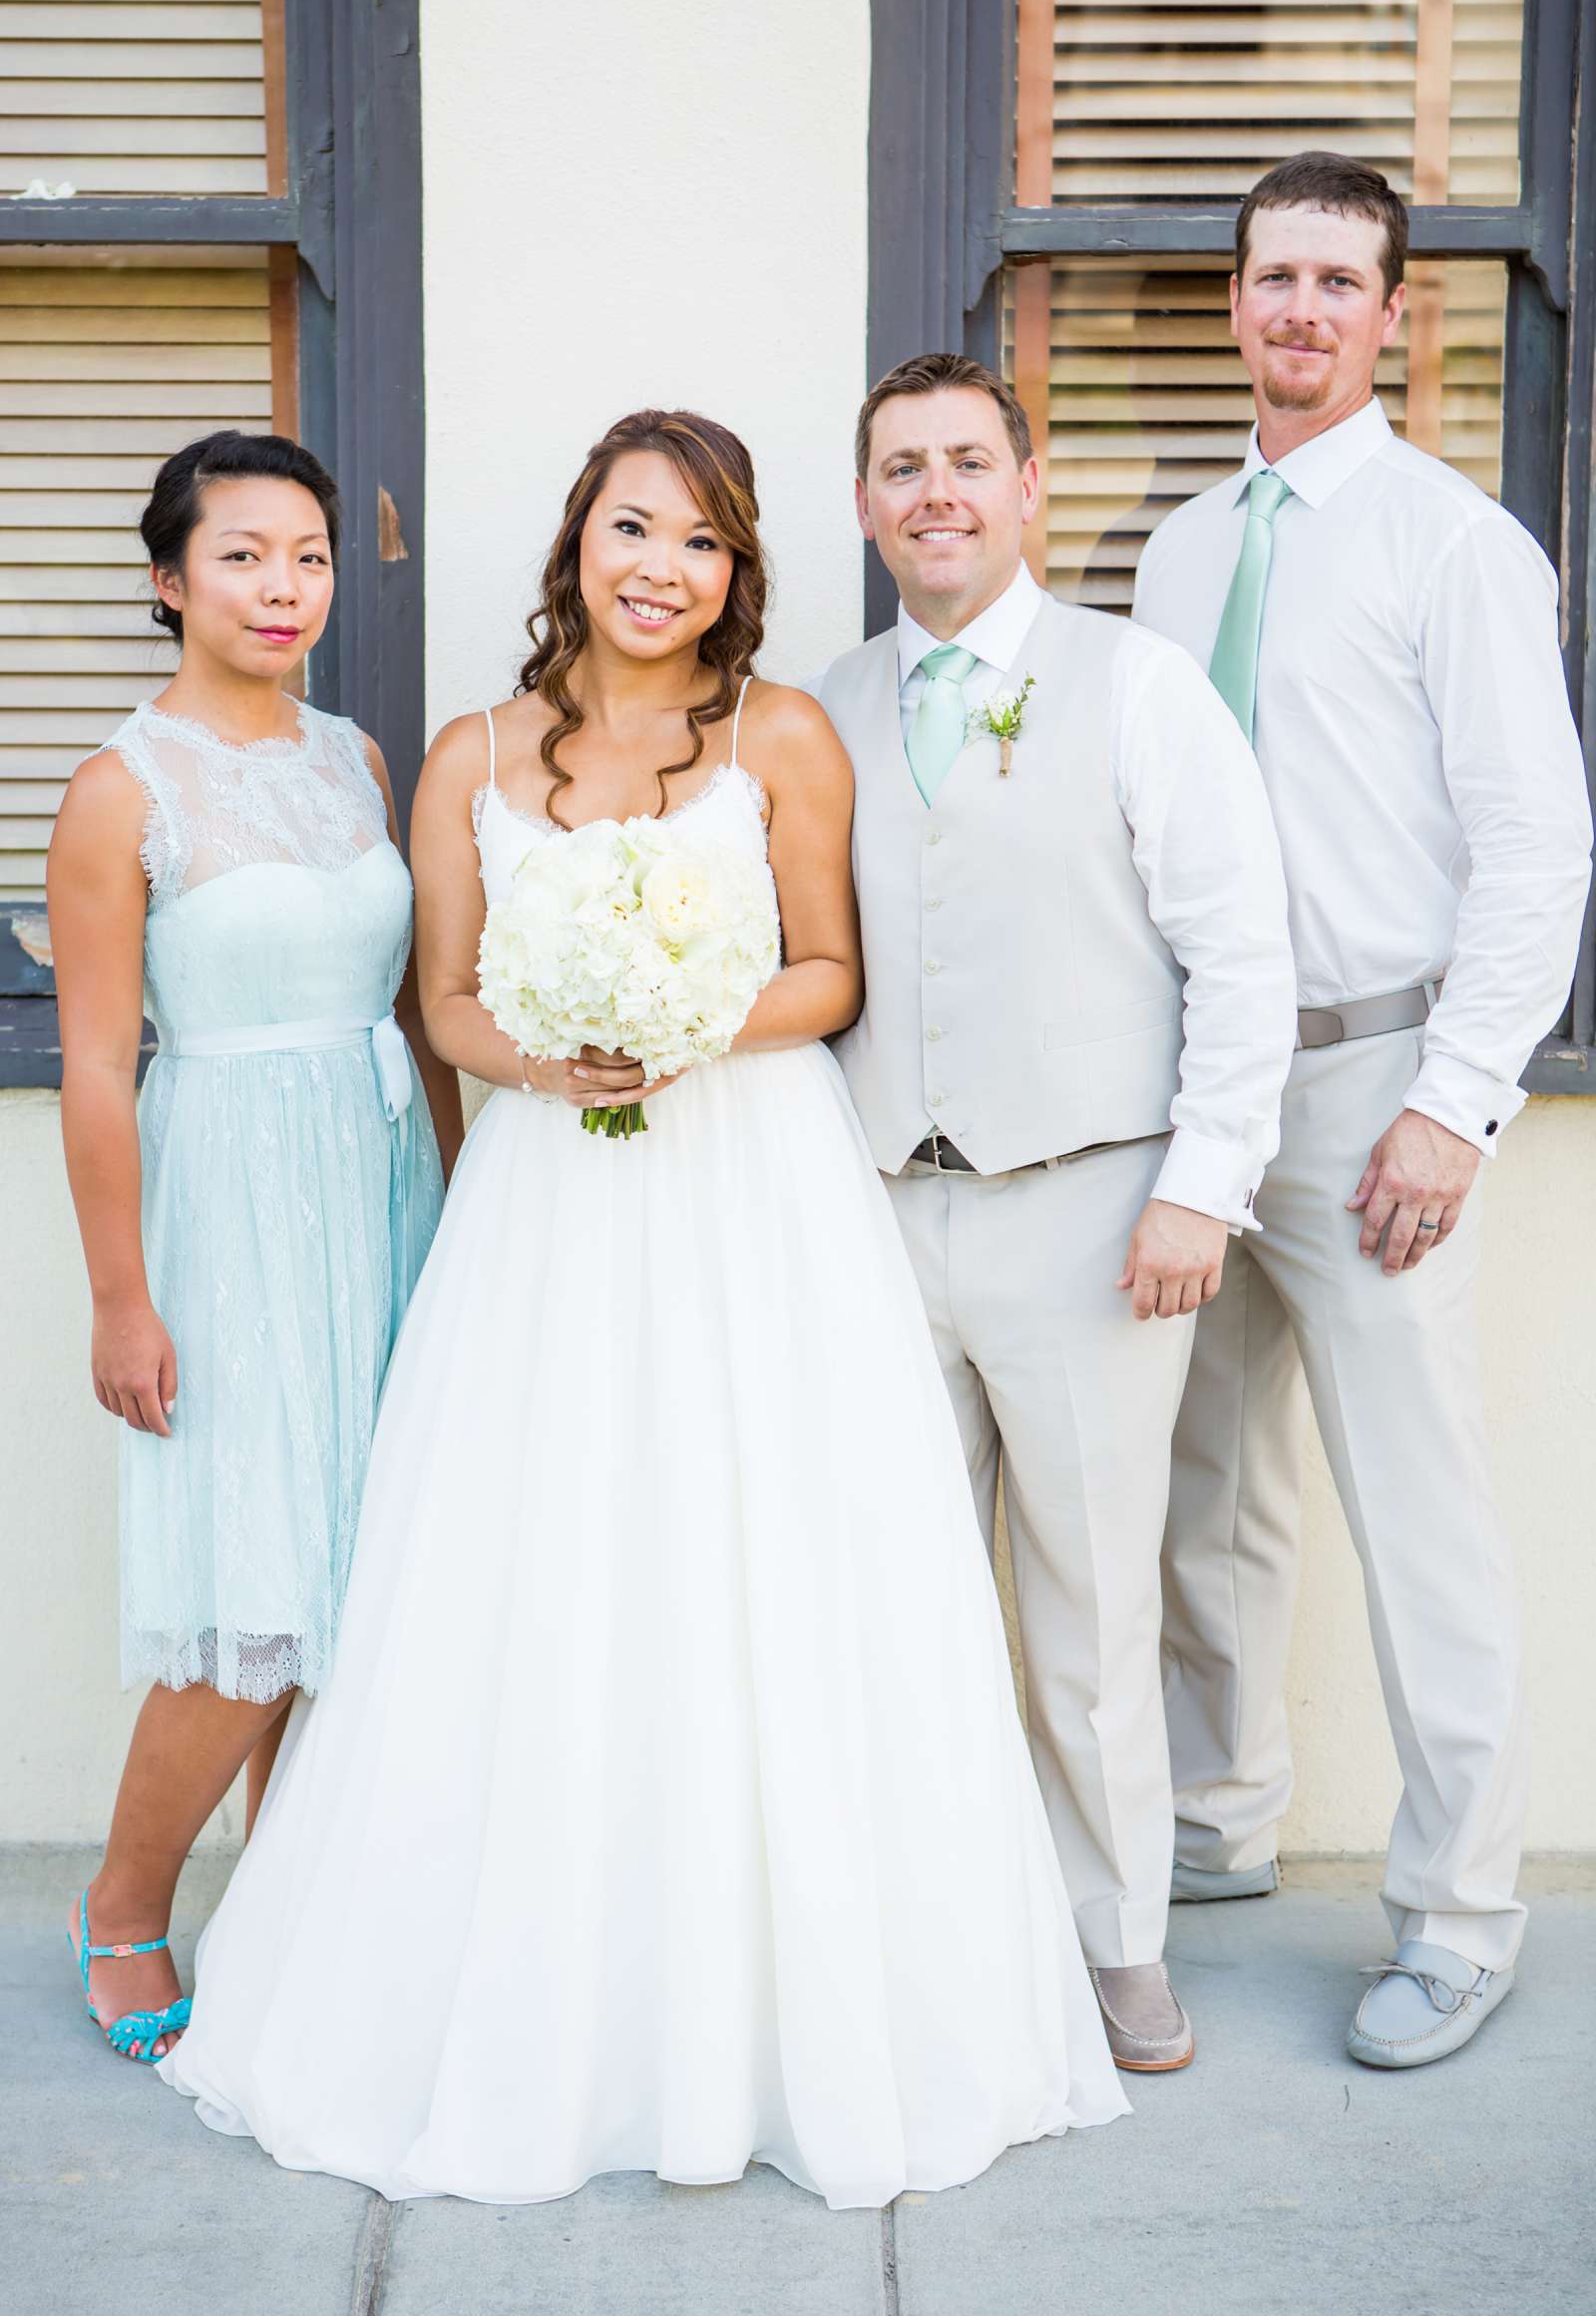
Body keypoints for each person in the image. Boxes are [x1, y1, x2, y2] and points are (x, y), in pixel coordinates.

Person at [157, 409, 1128, 2207]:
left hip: (750, 1193)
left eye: (696, 539)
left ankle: (780, 2015)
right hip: (546, 1205)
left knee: (761, 1558)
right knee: (537, 1563)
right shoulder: (469, 754)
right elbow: (441, 1002)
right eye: (629, 529)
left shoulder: (786, 738)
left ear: (737, 568)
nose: (658, 567)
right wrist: (549, 1051)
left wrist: (688, 1023)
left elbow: (829, 972)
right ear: (576, 549)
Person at [1133, 152, 1592, 2068]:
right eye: (1272, 279)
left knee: (1420, 1514)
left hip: (1377, 1082)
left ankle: (1462, 1914)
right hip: (1195, 1091)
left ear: (1394, 312)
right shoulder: (1174, 549)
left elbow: (1534, 841)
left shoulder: (1449, 542)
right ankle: (1218, 1822)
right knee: (1206, 1479)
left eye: (1340, 281)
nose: (1301, 311)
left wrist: (1458, 1104)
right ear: (1233, 304)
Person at [815, 353, 1299, 2072]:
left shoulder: (1140, 685)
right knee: (895, 1596)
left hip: (1095, 1220)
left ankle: (1116, 1946)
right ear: (866, 503)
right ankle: (932, 1935)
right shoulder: (822, 707)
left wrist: (1198, 1193)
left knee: (1093, 1603)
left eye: (966, 460)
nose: (934, 491)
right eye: (899, 467)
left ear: (1029, 486)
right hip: (878, 1214)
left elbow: (1243, 958)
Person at [48, 430, 457, 2066]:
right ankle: (125, 1905)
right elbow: (94, 1064)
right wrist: (120, 1298)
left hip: (382, 1177)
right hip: (225, 1192)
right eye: (242, 556)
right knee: (257, 1586)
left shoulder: (358, 760)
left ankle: (299, 1913)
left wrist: (463, 1198)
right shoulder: (119, 788)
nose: (283, 586)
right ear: (170, 581)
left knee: (370, 1576)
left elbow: (422, 1008)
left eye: (307, 557)